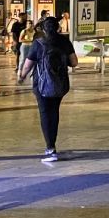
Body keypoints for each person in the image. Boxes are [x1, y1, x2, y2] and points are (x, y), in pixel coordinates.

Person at [19, 16, 76, 162]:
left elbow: (27, 64)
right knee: (54, 112)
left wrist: (22, 76)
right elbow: (74, 62)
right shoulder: (65, 41)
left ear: (43, 29)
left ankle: (50, 147)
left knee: (45, 113)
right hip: (60, 83)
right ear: (58, 28)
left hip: (41, 84)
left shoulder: (38, 43)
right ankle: (52, 144)